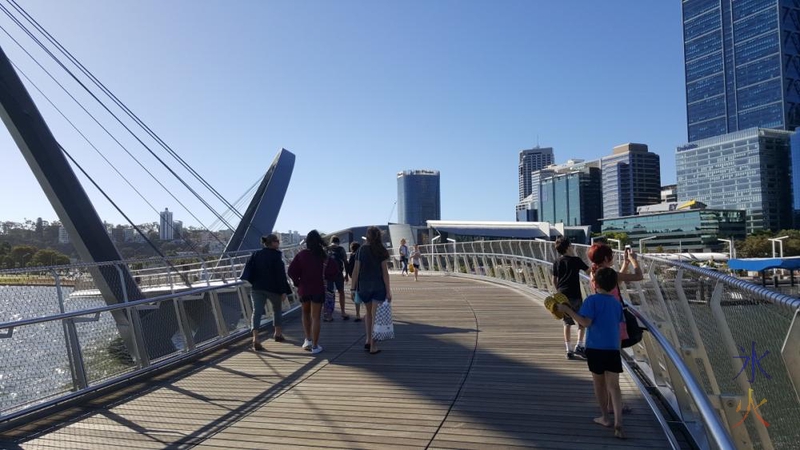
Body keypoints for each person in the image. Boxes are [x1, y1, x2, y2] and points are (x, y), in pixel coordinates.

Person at [559, 267, 626, 439]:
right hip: (612, 349)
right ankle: (619, 421)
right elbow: (618, 327)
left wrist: (568, 310)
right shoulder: (616, 303)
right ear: (613, 286)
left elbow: (585, 322)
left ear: (594, 283)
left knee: (599, 384)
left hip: (596, 348)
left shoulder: (591, 301)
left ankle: (605, 418)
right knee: (614, 386)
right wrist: (618, 349)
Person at [588, 242, 643, 414]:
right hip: (615, 322)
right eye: (611, 256)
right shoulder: (609, 273)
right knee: (613, 368)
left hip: (600, 324)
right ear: (606, 258)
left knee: (603, 369)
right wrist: (634, 261)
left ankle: (610, 405)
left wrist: (624, 264)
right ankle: (614, 406)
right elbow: (639, 276)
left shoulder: (595, 273)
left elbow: (614, 282)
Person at [287, 230, 340, 355]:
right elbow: (334, 271)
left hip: (304, 289)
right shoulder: (324, 256)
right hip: (318, 288)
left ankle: (308, 340)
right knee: (315, 317)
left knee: (305, 313)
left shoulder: (302, 255)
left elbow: (291, 271)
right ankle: (315, 346)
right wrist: (327, 278)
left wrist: (297, 282)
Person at [243, 234, 292, 351]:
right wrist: (283, 291)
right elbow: (280, 275)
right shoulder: (276, 255)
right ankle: (278, 334)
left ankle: (255, 338)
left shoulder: (256, 254)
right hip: (273, 289)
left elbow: (249, 269)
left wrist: (254, 281)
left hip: (257, 287)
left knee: (257, 312)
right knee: (277, 309)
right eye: (277, 241)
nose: (279, 243)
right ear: (273, 243)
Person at [351, 226, 392, 355]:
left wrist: (353, 289)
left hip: (364, 287)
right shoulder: (381, 250)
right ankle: (373, 346)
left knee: (368, 314)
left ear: (367, 236)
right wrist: (388, 290)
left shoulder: (361, 250)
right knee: (375, 316)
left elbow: (356, 271)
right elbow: (385, 272)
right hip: (378, 286)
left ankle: (368, 339)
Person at [552, 237, 589, 360]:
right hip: (575, 295)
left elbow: (554, 280)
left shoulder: (557, 262)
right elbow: (589, 271)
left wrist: (558, 292)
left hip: (563, 296)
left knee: (567, 323)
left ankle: (569, 349)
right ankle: (579, 345)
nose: (572, 247)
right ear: (568, 247)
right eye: (571, 246)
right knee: (581, 320)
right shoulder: (576, 260)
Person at [327, 236, 350, 321]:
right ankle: (343, 312)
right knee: (341, 292)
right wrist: (347, 275)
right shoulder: (341, 249)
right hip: (338, 273)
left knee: (329, 293)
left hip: (328, 274)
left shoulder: (327, 249)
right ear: (338, 242)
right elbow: (345, 262)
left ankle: (329, 314)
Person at [346, 242, 363, 321]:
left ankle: (357, 314)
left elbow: (350, 268)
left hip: (355, 278)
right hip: (364, 278)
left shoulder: (353, 256)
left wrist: (350, 276)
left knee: (357, 296)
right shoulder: (362, 255)